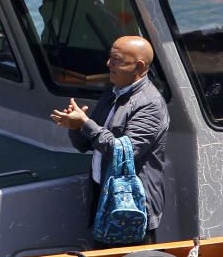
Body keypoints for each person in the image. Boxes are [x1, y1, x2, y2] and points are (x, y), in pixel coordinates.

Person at [50, 35, 169, 245]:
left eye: (117, 60)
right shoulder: (111, 95)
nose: (108, 64)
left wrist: (86, 123)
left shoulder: (150, 105)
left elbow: (124, 153)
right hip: (104, 196)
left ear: (139, 67)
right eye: (110, 58)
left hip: (132, 205)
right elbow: (85, 145)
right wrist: (75, 128)